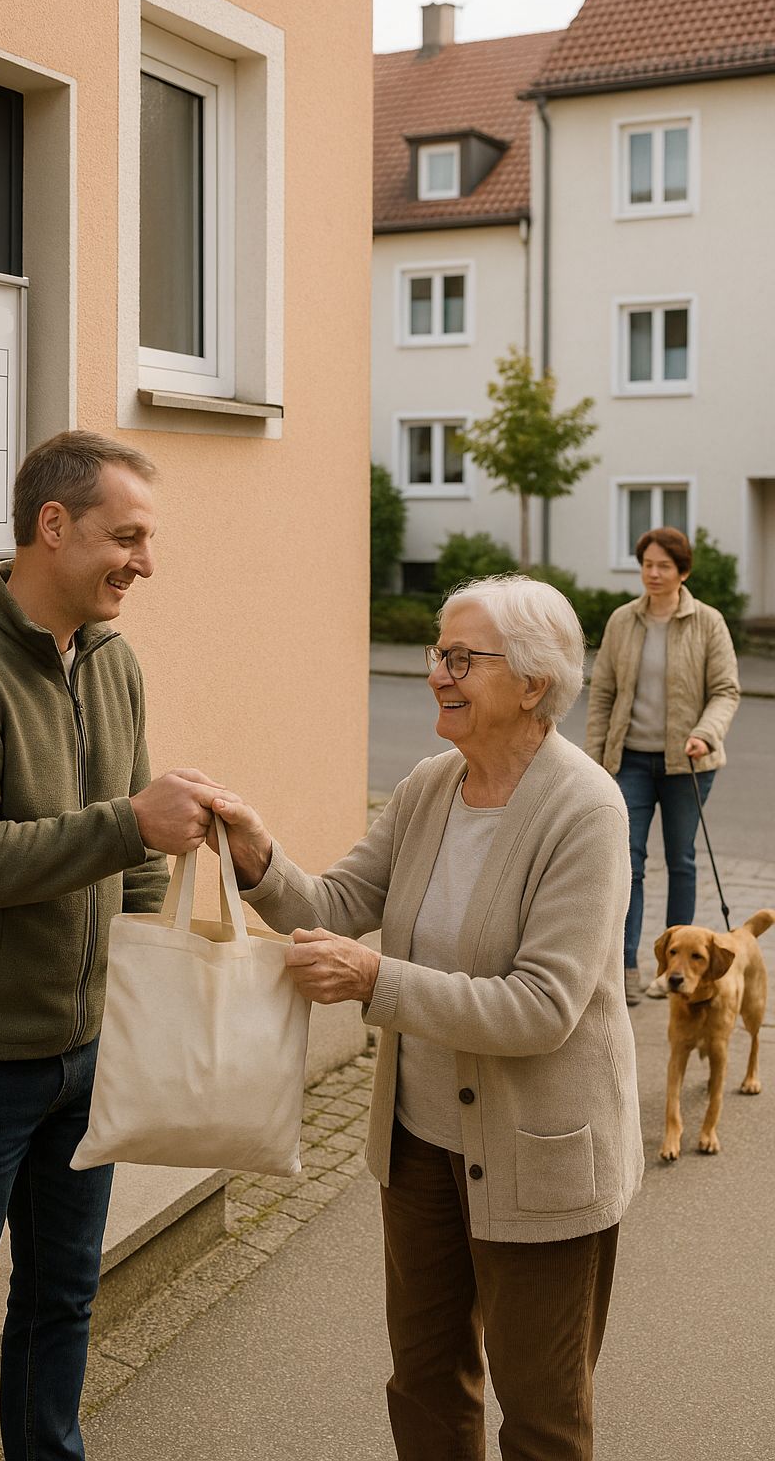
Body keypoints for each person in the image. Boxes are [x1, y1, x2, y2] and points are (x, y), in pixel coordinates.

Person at [214, 575, 643, 1461]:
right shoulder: (429, 787)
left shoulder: (587, 809)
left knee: (543, 1416)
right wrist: (256, 855)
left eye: (461, 658)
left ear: (533, 682)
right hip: (419, 1148)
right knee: (425, 1385)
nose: (437, 673)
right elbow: (334, 903)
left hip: (542, 1159)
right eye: (437, 653)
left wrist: (376, 981)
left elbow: (541, 1008)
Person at [0, 430, 234, 1460]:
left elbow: (141, 858)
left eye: (147, 540)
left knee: (64, 1296)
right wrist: (129, 824)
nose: (144, 562)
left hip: (85, 1055)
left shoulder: (114, 662)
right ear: (54, 525)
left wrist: (143, 986)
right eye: (127, 537)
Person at [585, 527, 740, 1005]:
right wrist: (595, 759)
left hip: (688, 763)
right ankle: (626, 965)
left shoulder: (708, 622)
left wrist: (705, 733)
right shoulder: (622, 621)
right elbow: (602, 693)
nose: (653, 574)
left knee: (681, 860)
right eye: (647, 565)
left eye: (664, 566)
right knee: (627, 861)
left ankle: (680, 973)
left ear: (683, 572)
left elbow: (725, 691)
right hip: (629, 759)